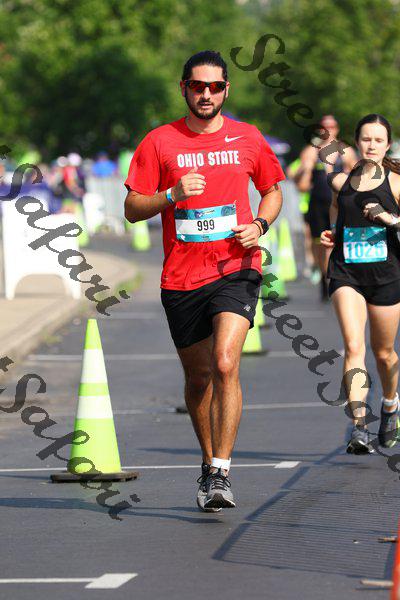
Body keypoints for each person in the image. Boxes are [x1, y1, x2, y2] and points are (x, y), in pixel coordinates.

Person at [124, 50, 285, 511]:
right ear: (185, 89)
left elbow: (272, 190)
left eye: (215, 87)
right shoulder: (159, 141)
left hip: (236, 267)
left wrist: (260, 225)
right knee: (198, 378)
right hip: (182, 277)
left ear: (226, 90)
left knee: (226, 362)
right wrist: (171, 194)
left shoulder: (248, 137)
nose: (206, 94)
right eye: (198, 86)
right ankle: (207, 458)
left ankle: (220, 472)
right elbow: (131, 209)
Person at [321, 114, 400, 454]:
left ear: (387, 145)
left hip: (386, 275)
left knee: (383, 353)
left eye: (378, 140)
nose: (371, 145)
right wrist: (332, 233)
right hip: (347, 272)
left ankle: (390, 403)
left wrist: (389, 219)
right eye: (366, 139)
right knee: (354, 346)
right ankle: (359, 426)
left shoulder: (396, 183)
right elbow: (335, 213)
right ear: (356, 142)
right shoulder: (341, 182)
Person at [296, 116, 357, 299]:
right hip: (318, 204)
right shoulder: (311, 151)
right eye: (325, 126)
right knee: (320, 244)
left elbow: (357, 180)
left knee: (339, 240)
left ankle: (339, 277)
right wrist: (307, 169)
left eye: (332, 126)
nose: (329, 129)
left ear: (337, 128)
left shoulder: (346, 151)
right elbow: (302, 186)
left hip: (341, 204)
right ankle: (324, 277)